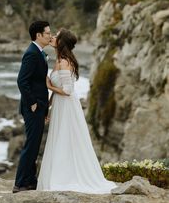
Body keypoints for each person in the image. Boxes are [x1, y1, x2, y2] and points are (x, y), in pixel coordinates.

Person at [37, 28, 117, 193]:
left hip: (67, 106)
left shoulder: (65, 61)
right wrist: (48, 108)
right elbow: (58, 90)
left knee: (65, 139)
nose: (52, 37)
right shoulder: (60, 59)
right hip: (60, 105)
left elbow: (67, 90)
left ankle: (65, 178)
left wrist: (48, 85)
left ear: (61, 42)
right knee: (60, 138)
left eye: (56, 36)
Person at [13, 20, 51, 193]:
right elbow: (22, 81)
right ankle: (20, 183)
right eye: (48, 33)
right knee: (31, 145)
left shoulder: (39, 52)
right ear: (39, 35)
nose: (50, 35)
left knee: (35, 145)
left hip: (40, 106)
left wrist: (44, 108)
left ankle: (30, 180)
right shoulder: (32, 53)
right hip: (33, 107)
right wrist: (33, 103)